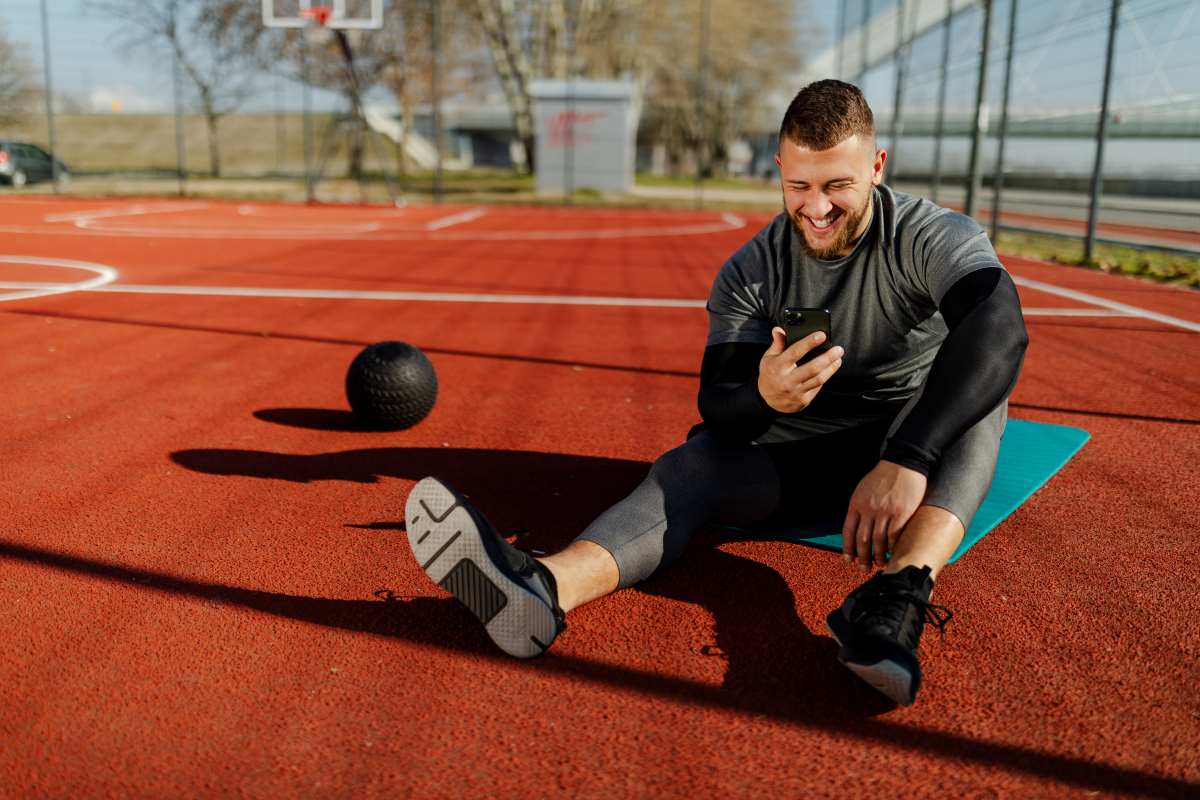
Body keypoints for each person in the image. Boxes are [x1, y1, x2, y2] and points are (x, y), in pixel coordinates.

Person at [403, 79, 1028, 706]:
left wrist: (908, 458)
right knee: (692, 463)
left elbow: (1001, 330)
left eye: (839, 185)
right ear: (779, 168)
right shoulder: (751, 270)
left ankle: (893, 598)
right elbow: (718, 404)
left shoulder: (928, 235)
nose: (817, 208)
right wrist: (764, 397)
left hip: (910, 451)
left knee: (984, 396)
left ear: (877, 166)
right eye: (800, 186)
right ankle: (541, 587)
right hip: (809, 462)